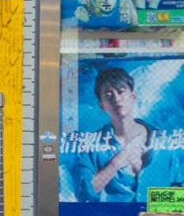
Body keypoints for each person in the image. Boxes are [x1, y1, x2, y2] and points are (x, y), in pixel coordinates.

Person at [67, 66, 184, 202]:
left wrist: (152, 204)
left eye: (121, 92)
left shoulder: (163, 142)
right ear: (101, 105)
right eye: (108, 95)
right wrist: (115, 164)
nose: (116, 99)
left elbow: (180, 193)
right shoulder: (89, 146)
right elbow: (83, 194)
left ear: (133, 96)